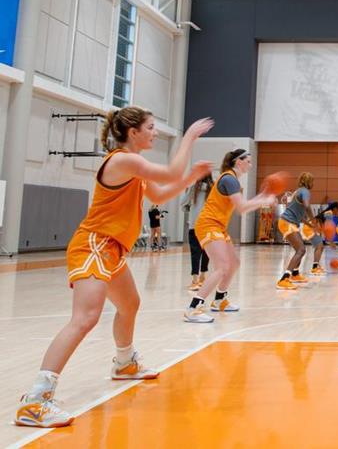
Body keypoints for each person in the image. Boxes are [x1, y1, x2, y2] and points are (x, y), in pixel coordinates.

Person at [15, 108, 214, 428]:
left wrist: (190, 178)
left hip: (112, 249)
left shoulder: (133, 168)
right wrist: (189, 137)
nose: (154, 133)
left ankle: (124, 363)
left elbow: (161, 192)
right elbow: (167, 173)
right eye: (150, 128)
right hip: (95, 244)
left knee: (130, 304)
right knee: (85, 319)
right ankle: (36, 400)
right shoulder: (123, 160)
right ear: (133, 132)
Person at [184, 149, 276, 323]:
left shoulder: (232, 180)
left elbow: (242, 205)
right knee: (222, 267)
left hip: (218, 226)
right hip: (208, 224)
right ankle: (193, 308)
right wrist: (263, 200)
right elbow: (242, 208)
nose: (250, 164)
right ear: (238, 162)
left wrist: (262, 197)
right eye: (248, 161)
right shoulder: (228, 179)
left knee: (234, 263)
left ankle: (219, 300)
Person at [275, 172, 317, 290]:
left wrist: (309, 223)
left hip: (289, 222)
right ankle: (284, 279)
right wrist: (313, 220)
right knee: (301, 249)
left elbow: (299, 214)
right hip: (288, 223)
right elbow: (307, 206)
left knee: (300, 249)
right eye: (312, 181)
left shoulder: (298, 191)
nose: (313, 184)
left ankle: (295, 274)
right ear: (309, 182)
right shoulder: (305, 192)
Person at [182, 174, 213, 290]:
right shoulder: (213, 188)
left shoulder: (193, 188)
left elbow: (183, 202)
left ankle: (195, 280)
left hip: (195, 225)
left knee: (195, 253)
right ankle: (203, 277)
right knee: (207, 252)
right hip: (208, 225)